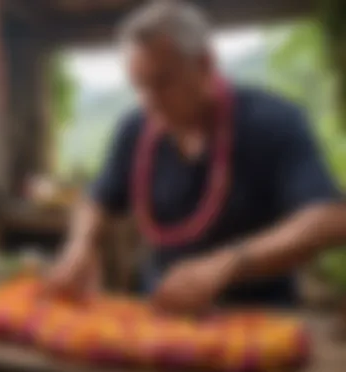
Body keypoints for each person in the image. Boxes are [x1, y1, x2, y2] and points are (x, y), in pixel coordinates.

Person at [45, 1, 346, 313]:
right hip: (162, 316)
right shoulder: (135, 130)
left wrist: (228, 264)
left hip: (258, 320)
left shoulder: (273, 121)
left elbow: (329, 219)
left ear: (204, 64)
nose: (150, 102)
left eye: (162, 82)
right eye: (139, 86)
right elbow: (97, 199)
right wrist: (80, 244)